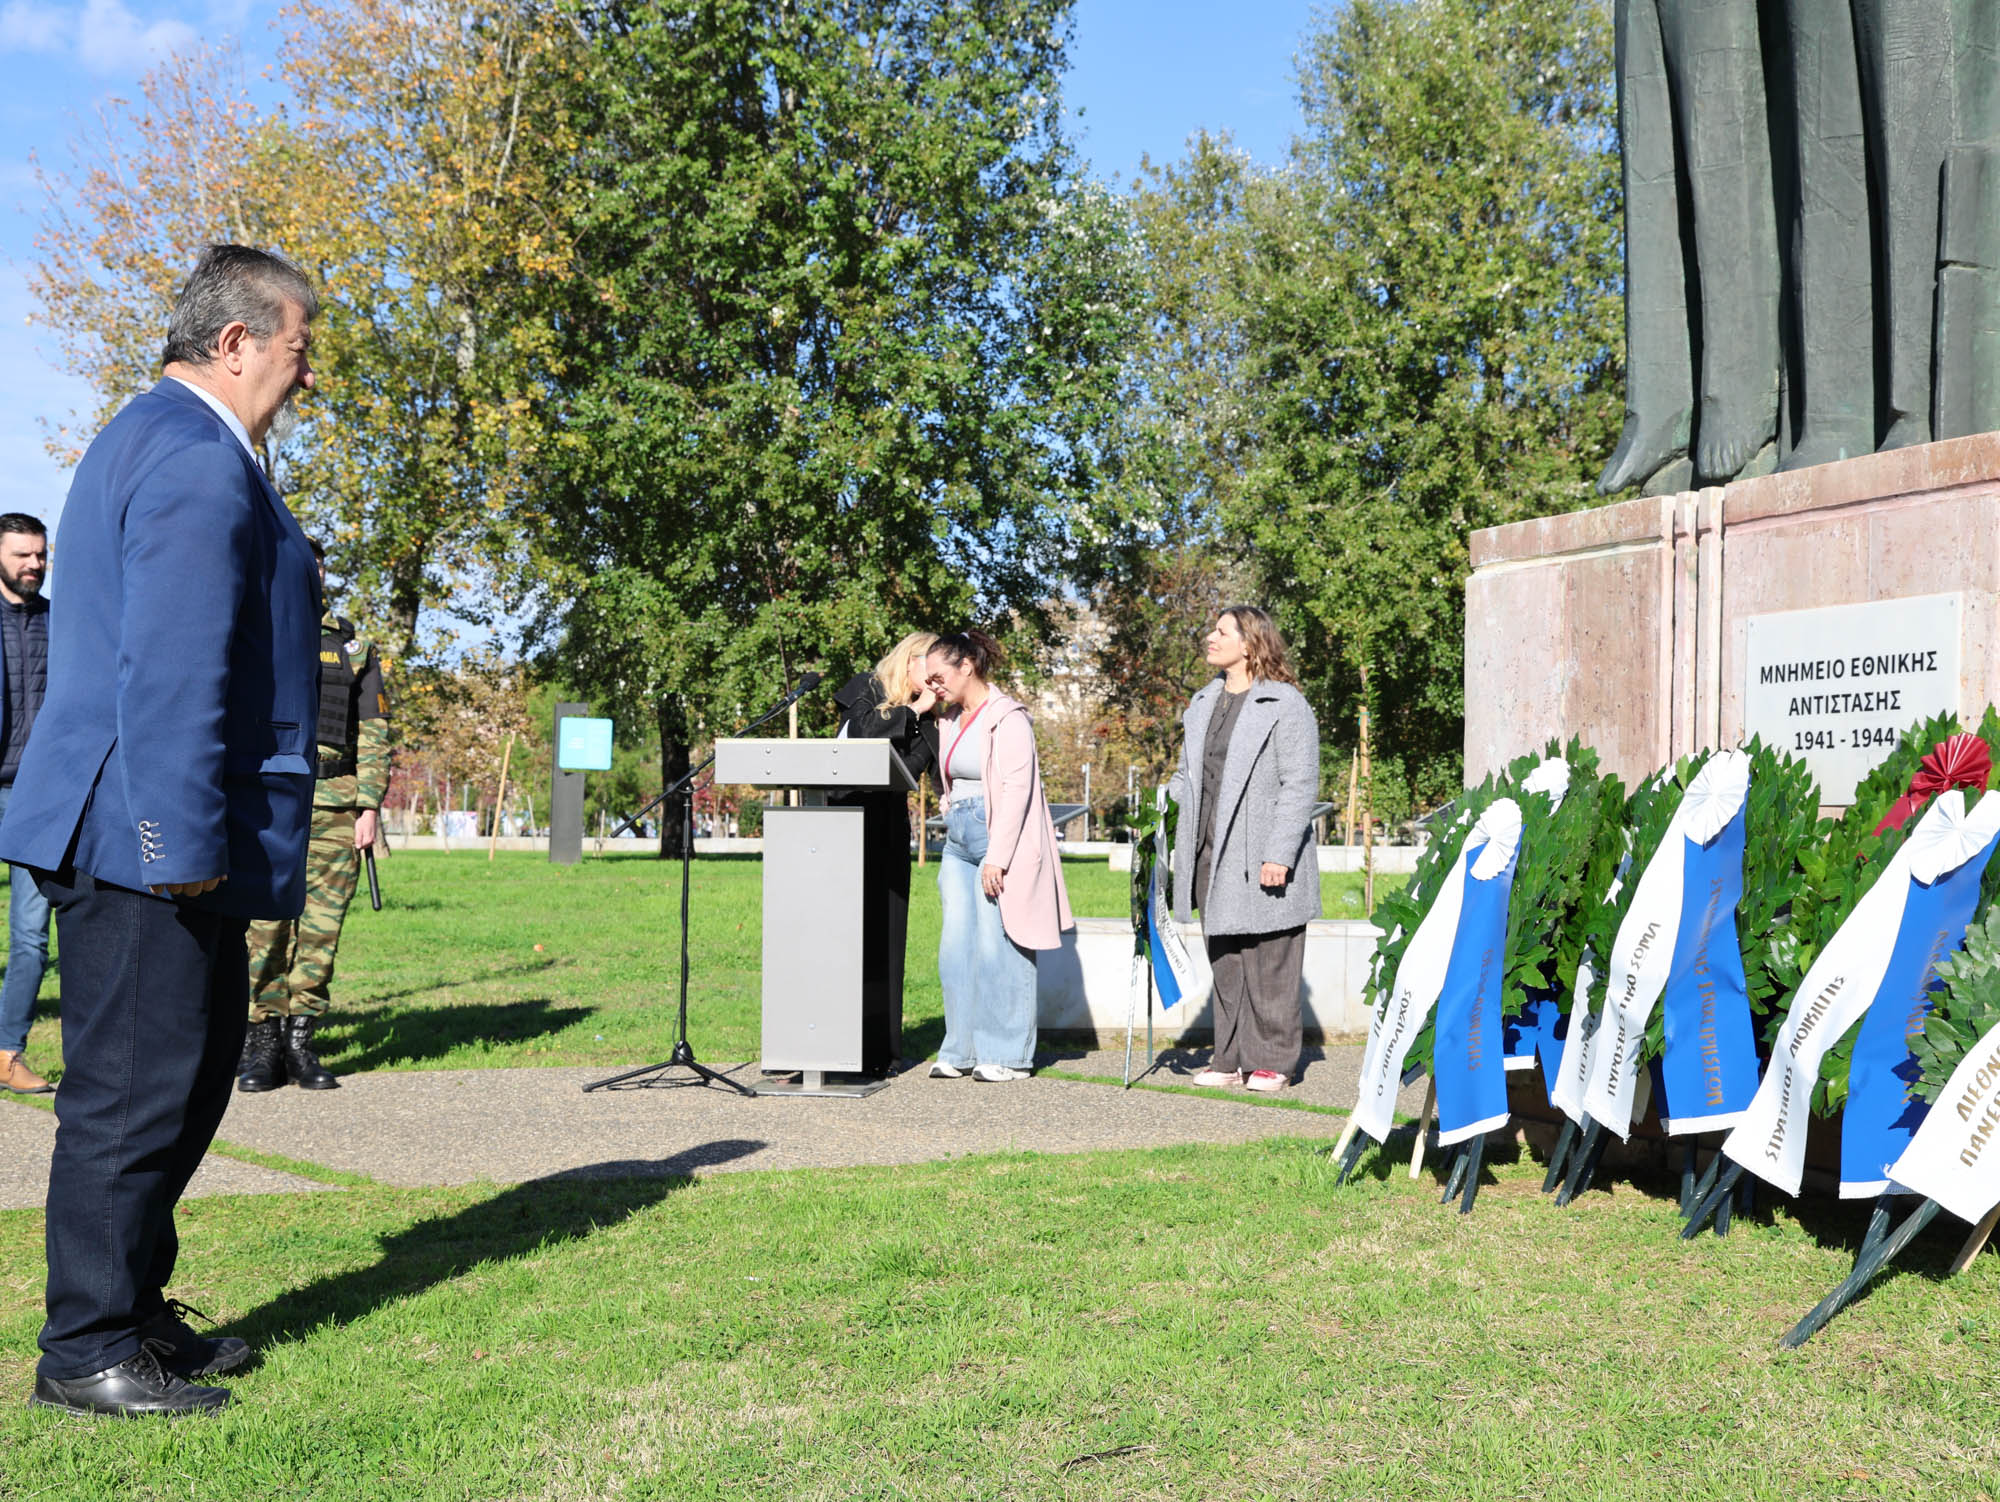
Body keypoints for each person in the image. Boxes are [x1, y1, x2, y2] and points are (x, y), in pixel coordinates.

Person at [0, 244, 320, 1417]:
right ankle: (86, 1348)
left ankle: (131, 1312)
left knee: (177, 1089)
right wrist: (174, 852)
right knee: (132, 1098)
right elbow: (174, 673)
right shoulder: (194, 459)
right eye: (297, 350)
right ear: (234, 343)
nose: (303, 375)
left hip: (147, 825)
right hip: (148, 835)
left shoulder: (148, 434)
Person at [238, 536, 390, 1092]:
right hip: (268, 804)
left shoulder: (354, 645)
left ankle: (301, 1043)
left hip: (334, 806)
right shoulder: (252, 631)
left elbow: (374, 731)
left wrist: (369, 804)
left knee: (321, 929)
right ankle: (260, 1044)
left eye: (316, 567)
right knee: (265, 928)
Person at [1169, 606, 1321, 1092]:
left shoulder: (1285, 703)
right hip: (1210, 850)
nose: (1210, 637)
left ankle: (1273, 1059)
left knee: (1269, 959)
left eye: (1221, 631)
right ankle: (1229, 1057)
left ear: (1250, 644)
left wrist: (1280, 853)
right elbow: (1188, 776)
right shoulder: (1204, 703)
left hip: (1261, 851)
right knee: (1228, 960)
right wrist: (1160, 811)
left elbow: (1300, 784)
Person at [923, 629, 1071, 1083]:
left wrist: (999, 857)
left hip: (995, 838)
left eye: (938, 676)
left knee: (998, 946)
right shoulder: (949, 718)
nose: (932, 685)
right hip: (958, 840)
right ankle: (961, 1049)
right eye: (928, 679)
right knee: (956, 949)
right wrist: (948, 805)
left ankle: (1007, 1054)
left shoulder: (1008, 717)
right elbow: (951, 775)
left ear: (967, 665)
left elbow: (1016, 790)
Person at [830, 633, 939, 1071]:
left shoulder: (933, 723)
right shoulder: (867, 688)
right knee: (836, 935)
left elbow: (908, 770)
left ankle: (880, 1049)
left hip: (885, 828)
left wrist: (920, 715)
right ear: (908, 660)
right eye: (928, 670)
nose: (934, 682)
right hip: (836, 822)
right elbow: (861, 732)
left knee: (884, 936)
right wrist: (910, 709)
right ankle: (824, 1041)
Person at [0, 515, 53, 1094]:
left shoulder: (61, 624)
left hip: (37, 797)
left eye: (40, 555)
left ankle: (6, 1051)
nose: (33, 565)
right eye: (21, 555)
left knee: (32, 936)